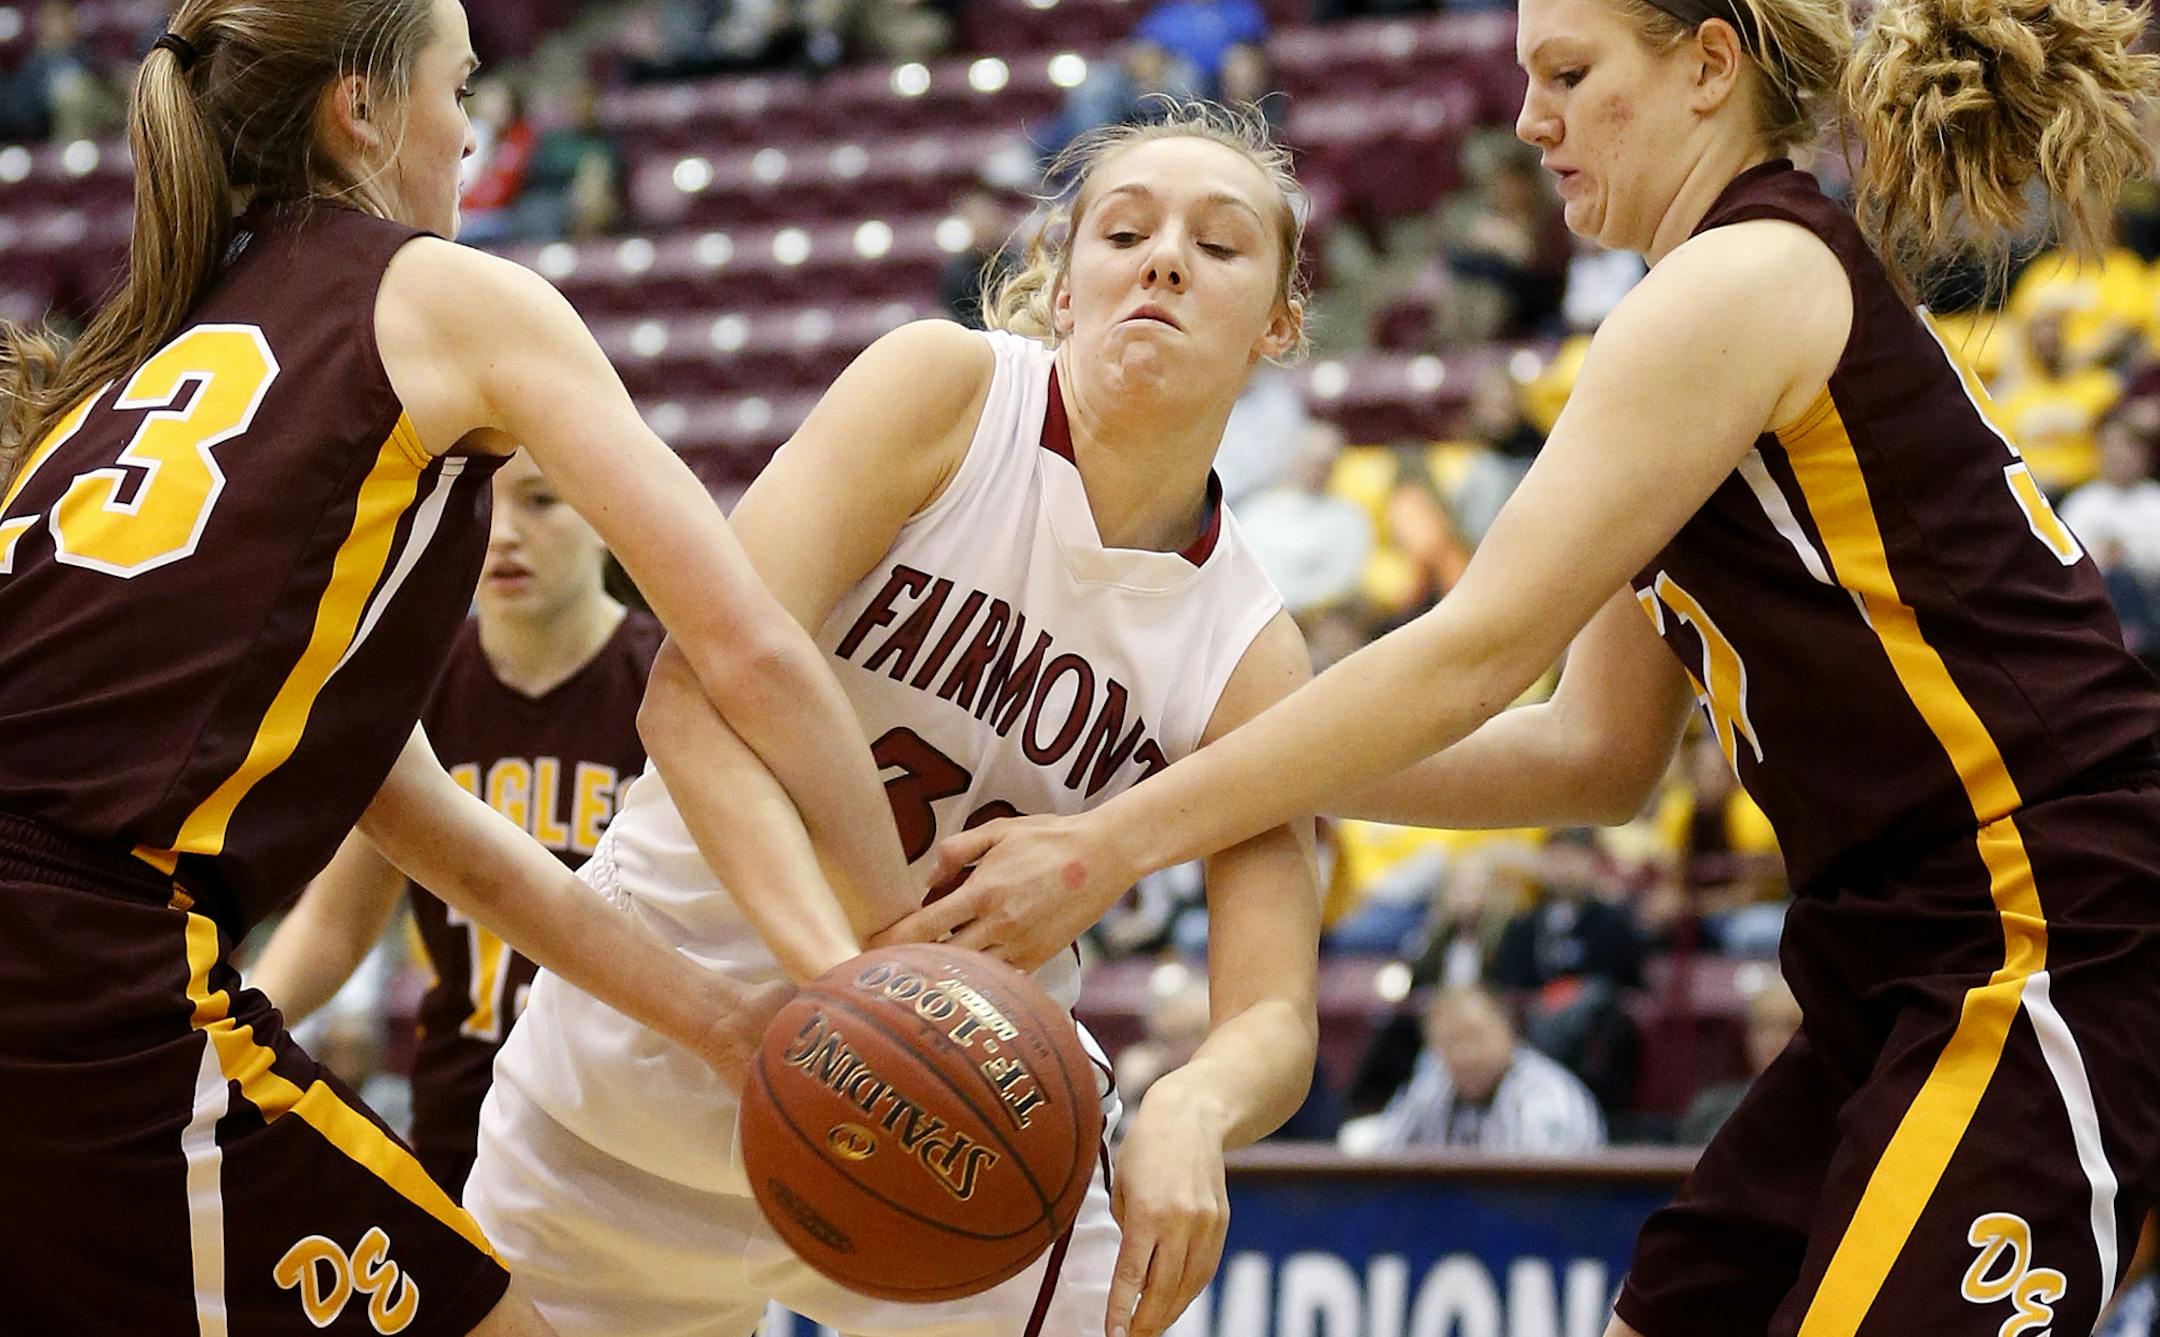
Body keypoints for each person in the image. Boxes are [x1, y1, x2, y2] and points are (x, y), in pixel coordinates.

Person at [893, 0, 2160, 1331]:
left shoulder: (1740, 278)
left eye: (1567, 73)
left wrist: (1109, 842)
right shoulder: (1707, 310)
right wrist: (1216, 762)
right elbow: (1592, 751)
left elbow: (1480, 650)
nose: (1527, 120)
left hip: (2052, 928)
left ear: (1709, 67)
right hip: (1896, 956)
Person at [0, 0, 911, 1331]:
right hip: (76, 972)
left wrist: (726, 1021)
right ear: (361, 111)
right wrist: (894, 953)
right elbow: (748, 643)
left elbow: (439, 832)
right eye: (461, 86)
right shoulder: (440, 293)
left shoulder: (144, 359)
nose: (474, 129)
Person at [464, 103, 1322, 1337]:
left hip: (961, 1136)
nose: (1166, 258)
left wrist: (1198, 1104)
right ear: (1063, 286)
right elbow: (692, 702)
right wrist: (853, 998)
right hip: (649, 1057)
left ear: (1280, 325)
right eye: (1125, 231)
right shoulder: (946, 396)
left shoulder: (1250, 649)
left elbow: (1275, 1013)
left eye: (1222, 246)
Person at [249, 448, 661, 1200]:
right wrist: (208, 1046)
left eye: (540, 500)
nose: (503, 533)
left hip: (628, 1122)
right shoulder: (420, 685)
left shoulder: (668, 687)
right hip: (461, 1119)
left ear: (606, 513)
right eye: (482, 501)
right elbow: (336, 925)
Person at [1343, 983, 1605, 1155]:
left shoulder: (1547, 1096)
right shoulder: (1434, 1086)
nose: (1464, 1055)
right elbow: (1386, 1157)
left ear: (1510, 1031)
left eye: (1474, 1037)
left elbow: (1537, 1200)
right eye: (1449, 1042)